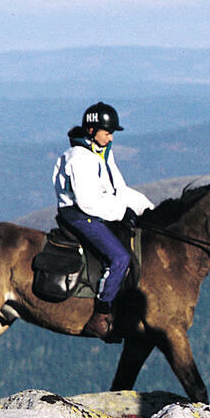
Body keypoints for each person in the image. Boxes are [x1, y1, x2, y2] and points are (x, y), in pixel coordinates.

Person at [53, 101, 153, 342]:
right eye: (107, 132)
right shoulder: (79, 158)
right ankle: (100, 315)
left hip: (99, 208)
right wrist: (121, 213)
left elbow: (118, 189)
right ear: (91, 131)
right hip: (77, 213)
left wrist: (147, 210)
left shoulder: (103, 153)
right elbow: (88, 202)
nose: (110, 138)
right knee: (120, 258)